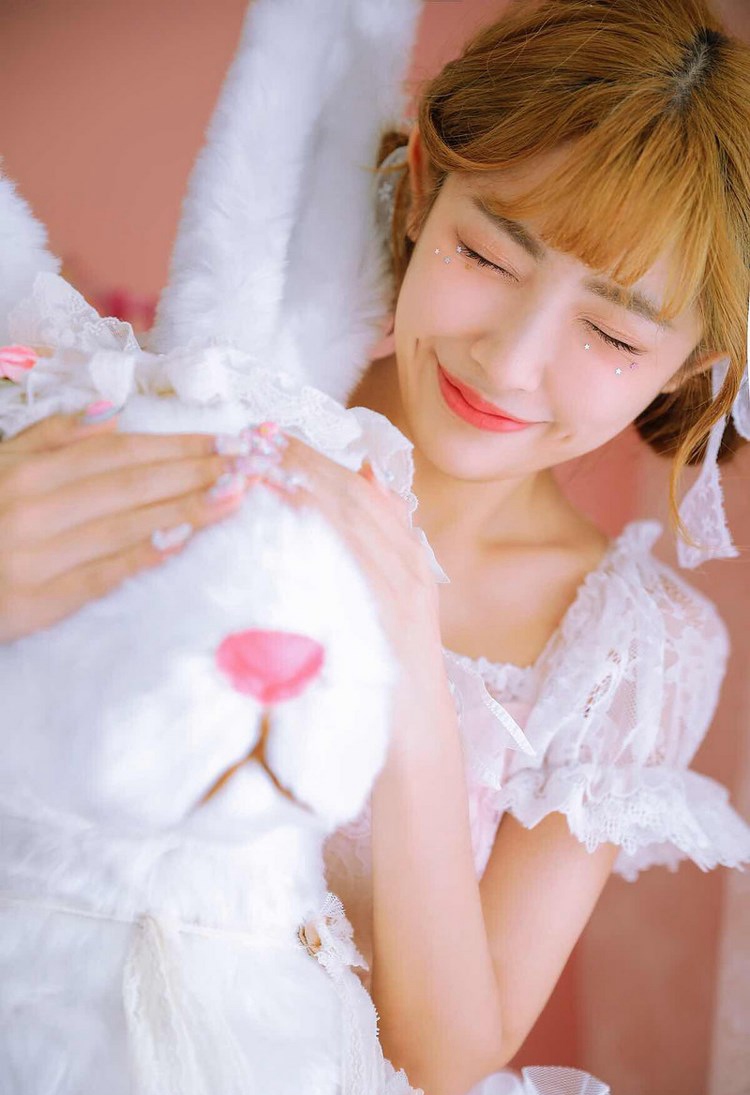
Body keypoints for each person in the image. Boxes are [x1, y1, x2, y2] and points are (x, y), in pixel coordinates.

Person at [1, 1, 749, 1093]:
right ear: (422, 193)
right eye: (487, 254)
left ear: (695, 366)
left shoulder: (632, 650)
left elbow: (447, 1057)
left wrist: (407, 668)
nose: (510, 361)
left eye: (610, 331)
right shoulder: (202, 404)